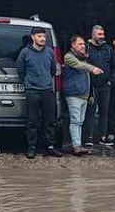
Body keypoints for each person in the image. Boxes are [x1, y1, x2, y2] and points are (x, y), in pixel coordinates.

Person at [16, 26, 61, 159]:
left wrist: (46, 81)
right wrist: (29, 82)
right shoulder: (25, 53)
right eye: (39, 36)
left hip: (47, 90)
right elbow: (20, 70)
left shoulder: (50, 52)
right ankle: (32, 147)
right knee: (32, 121)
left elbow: (53, 70)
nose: (42, 39)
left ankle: (50, 146)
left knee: (50, 120)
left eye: (44, 36)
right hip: (32, 90)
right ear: (33, 37)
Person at [62, 34, 102, 156]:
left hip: (83, 94)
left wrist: (90, 94)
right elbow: (80, 66)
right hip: (73, 94)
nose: (83, 46)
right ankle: (76, 146)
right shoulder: (69, 57)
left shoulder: (83, 58)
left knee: (80, 121)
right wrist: (93, 68)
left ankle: (78, 144)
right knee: (75, 121)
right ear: (73, 45)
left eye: (83, 44)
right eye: (80, 44)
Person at [83, 25, 113, 146]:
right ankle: (88, 137)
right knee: (90, 111)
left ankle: (103, 137)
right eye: (99, 34)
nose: (102, 37)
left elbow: (113, 65)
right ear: (93, 35)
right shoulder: (86, 47)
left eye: (103, 34)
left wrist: (110, 80)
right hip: (91, 85)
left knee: (104, 111)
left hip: (105, 85)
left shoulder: (108, 49)